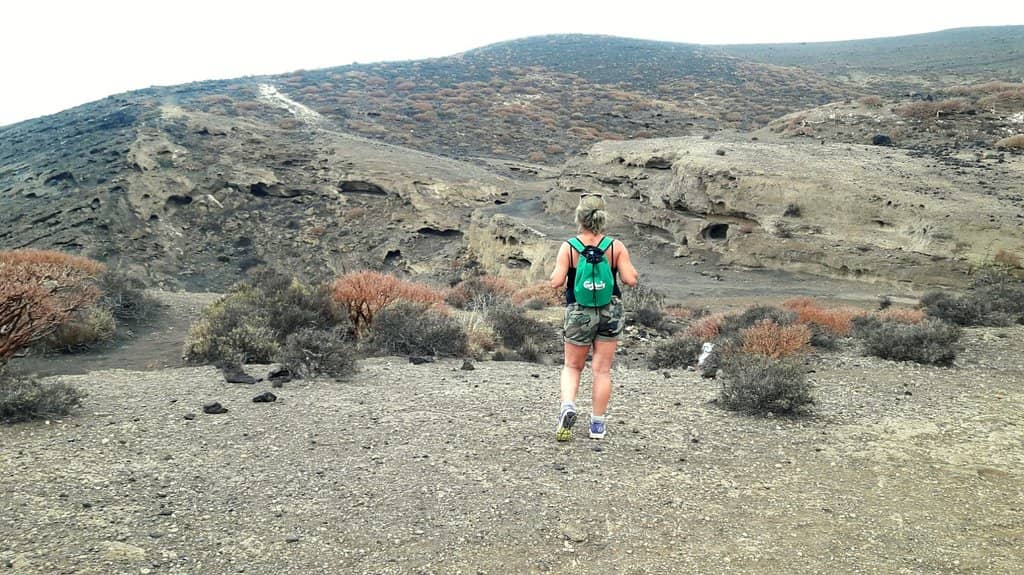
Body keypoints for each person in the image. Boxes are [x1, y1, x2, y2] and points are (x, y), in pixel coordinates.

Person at [548, 193, 638, 441]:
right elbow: (630, 279)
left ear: (579, 217)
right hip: (611, 310)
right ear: (602, 217)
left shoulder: (569, 247)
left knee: (572, 366)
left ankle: (568, 406)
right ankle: (597, 424)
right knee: (602, 370)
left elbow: (556, 282)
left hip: (578, 310)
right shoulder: (615, 246)